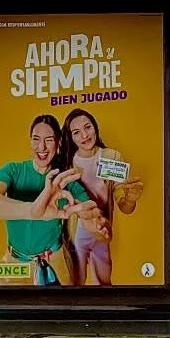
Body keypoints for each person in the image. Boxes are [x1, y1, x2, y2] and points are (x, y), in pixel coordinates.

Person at [0, 113, 74, 285]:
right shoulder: (12, 170)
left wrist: (95, 221)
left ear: (58, 142)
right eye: (36, 139)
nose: (41, 146)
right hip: (15, 263)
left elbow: (91, 211)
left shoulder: (65, 178)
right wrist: (33, 210)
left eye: (49, 140)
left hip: (56, 261)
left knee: (61, 311)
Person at [43, 107, 114, 286]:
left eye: (87, 127)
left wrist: (126, 195)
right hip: (77, 230)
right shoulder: (68, 163)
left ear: (95, 127)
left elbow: (121, 194)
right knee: (75, 280)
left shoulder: (109, 157)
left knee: (104, 279)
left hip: (100, 226)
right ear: (71, 138)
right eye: (76, 132)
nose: (84, 135)